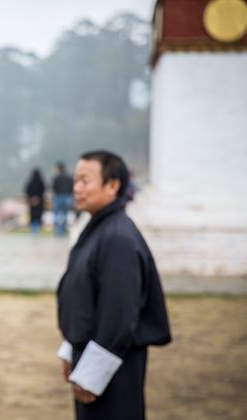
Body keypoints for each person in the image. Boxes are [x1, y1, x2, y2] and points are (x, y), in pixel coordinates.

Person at [56, 150, 171, 420]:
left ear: (113, 185)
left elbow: (119, 313)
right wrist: (70, 348)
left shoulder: (118, 236)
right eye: (76, 180)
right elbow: (85, 296)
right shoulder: (99, 226)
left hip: (113, 365)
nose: (76, 188)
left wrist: (93, 373)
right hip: (88, 353)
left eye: (85, 180)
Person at [51, 161, 74, 236]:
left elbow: (53, 187)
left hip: (58, 196)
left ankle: (58, 230)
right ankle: (63, 229)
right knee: (65, 214)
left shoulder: (56, 177)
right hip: (67, 196)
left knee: (57, 214)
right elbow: (72, 186)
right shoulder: (69, 177)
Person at [24, 168, 45, 234]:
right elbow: (43, 190)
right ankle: (37, 229)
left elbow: (27, 190)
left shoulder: (30, 182)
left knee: (33, 215)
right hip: (39, 201)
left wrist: (32, 197)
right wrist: (38, 197)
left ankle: (34, 229)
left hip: (32, 201)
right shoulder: (41, 182)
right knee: (38, 215)